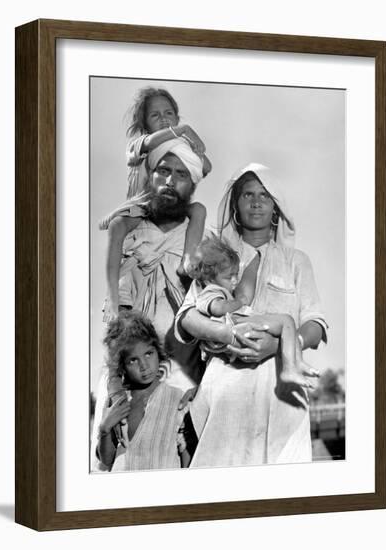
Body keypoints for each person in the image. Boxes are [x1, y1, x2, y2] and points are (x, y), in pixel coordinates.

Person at [175, 163, 328, 467]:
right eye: (247, 195)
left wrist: (280, 345)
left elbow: (316, 323)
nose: (256, 202)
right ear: (235, 204)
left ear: (275, 208)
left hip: (281, 395)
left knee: (283, 494)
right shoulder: (215, 256)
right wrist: (227, 334)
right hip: (225, 392)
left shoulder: (297, 261)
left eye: (264, 195)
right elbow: (188, 317)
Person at [91, 139, 205, 471]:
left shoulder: (200, 236)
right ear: (150, 177)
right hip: (124, 362)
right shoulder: (128, 230)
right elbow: (115, 309)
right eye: (163, 171)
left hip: (181, 365)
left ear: (191, 184)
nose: (170, 181)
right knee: (111, 452)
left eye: (181, 174)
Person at [99, 87, 212, 313]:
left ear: (176, 116)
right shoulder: (141, 143)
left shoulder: (180, 146)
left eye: (168, 114)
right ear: (144, 124)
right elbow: (149, 144)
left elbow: (205, 167)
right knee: (117, 226)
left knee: (198, 209)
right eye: (155, 115)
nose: (163, 120)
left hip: (169, 203)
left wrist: (194, 147)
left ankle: (187, 262)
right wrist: (183, 130)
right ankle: (112, 294)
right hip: (142, 205)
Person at [188, 234, 318, 388]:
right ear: (209, 278)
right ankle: (290, 367)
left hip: (235, 324)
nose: (235, 281)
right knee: (286, 321)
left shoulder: (218, 288)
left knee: (286, 325)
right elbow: (217, 308)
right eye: (229, 277)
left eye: (236, 275)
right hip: (233, 323)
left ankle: (294, 363)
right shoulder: (210, 291)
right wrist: (239, 302)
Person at [96, 311, 191, 471]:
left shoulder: (177, 399)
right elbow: (107, 459)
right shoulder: (118, 402)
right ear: (122, 366)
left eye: (148, 354)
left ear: (158, 352)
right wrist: (104, 429)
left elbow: (186, 457)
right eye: (133, 360)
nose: (144, 366)